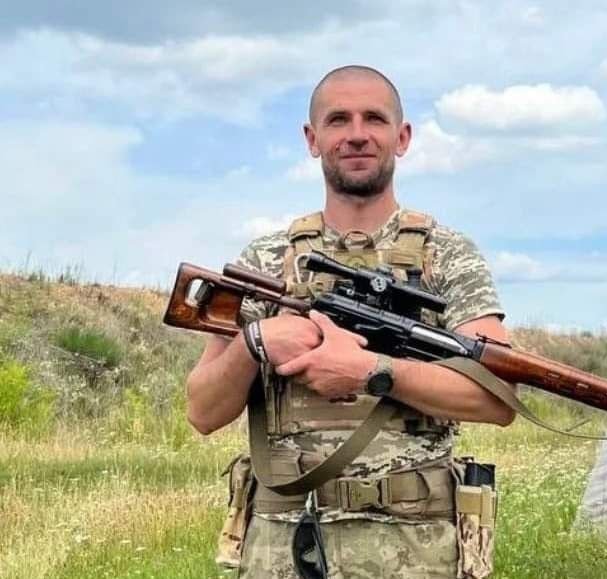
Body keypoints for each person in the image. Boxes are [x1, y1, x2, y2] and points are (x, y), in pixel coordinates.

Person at [185, 65, 515, 579]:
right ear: (312, 139)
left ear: (402, 137)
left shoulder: (447, 256)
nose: (357, 134)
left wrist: (372, 372)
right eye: (338, 120)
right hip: (282, 550)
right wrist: (255, 343)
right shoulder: (264, 261)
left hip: (414, 551)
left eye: (374, 119)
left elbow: (497, 397)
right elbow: (202, 411)